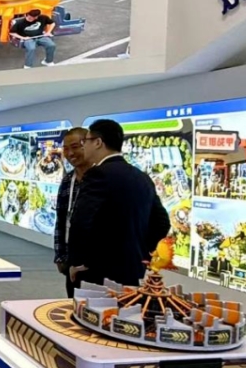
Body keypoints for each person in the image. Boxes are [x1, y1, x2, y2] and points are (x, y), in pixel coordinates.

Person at [67, 119, 171, 290]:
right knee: (127, 306)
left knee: (91, 307)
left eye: (86, 141)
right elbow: (162, 223)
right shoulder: (142, 177)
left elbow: (81, 221)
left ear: (98, 142)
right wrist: (141, 253)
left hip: (98, 272)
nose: (84, 146)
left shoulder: (98, 174)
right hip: (133, 270)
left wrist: (78, 262)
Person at [52, 127, 91, 297]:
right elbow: (61, 219)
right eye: (66, 148)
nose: (70, 153)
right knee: (74, 304)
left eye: (75, 147)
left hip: (97, 261)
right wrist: (60, 255)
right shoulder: (68, 180)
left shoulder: (101, 179)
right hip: (72, 258)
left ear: (89, 145)